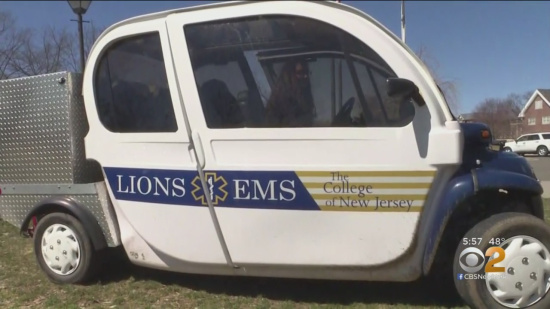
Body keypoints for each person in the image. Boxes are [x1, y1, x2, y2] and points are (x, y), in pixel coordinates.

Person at [265, 59, 316, 127]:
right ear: (289, 75)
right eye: (300, 73)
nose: (305, 76)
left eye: (306, 72)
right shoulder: (278, 101)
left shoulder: (305, 98)